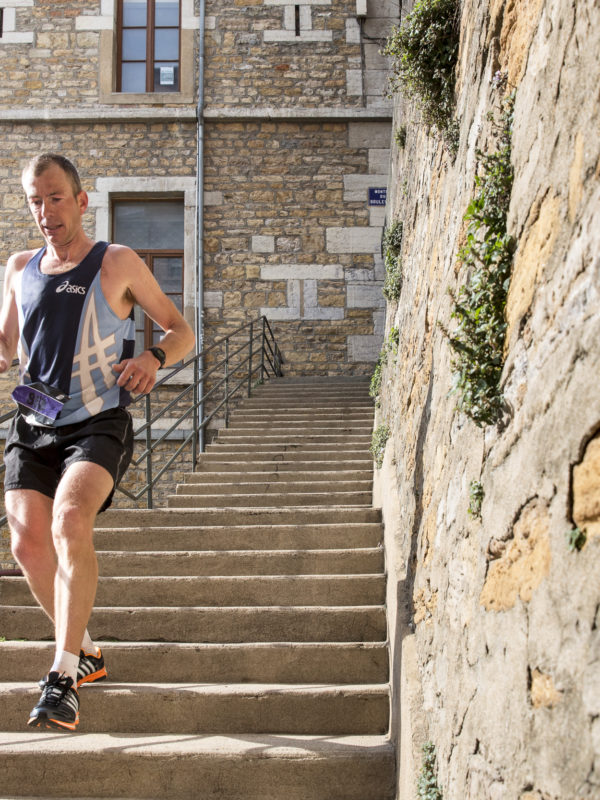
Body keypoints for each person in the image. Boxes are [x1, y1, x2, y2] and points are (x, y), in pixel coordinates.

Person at [0, 153, 195, 731]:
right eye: (35, 200)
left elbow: (181, 330)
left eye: (56, 197)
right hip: (33, 423)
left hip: (97, 421)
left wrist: (155, 358)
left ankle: (62, 677)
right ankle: (84, 647)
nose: (45, 211)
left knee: (67, 519)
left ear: (82, 201)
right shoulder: (17, 268)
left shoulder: (117, 262)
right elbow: (6, 348)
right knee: (27, 545)